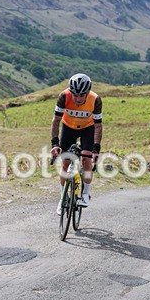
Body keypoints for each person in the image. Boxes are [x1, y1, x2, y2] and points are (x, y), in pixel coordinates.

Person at [50, 73, 103, 213]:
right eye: (75, 95)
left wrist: (96, 149)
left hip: (88, 129)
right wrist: (55, 144)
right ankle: (63, 198)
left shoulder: (95, 100)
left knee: (86, 160)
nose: (78, 99)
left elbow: (98, 126)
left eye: (81, 95)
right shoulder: (64, 96)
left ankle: (85, 193)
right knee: (65, 163)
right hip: (68, 128)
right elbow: (56, 121)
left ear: (87, 93)